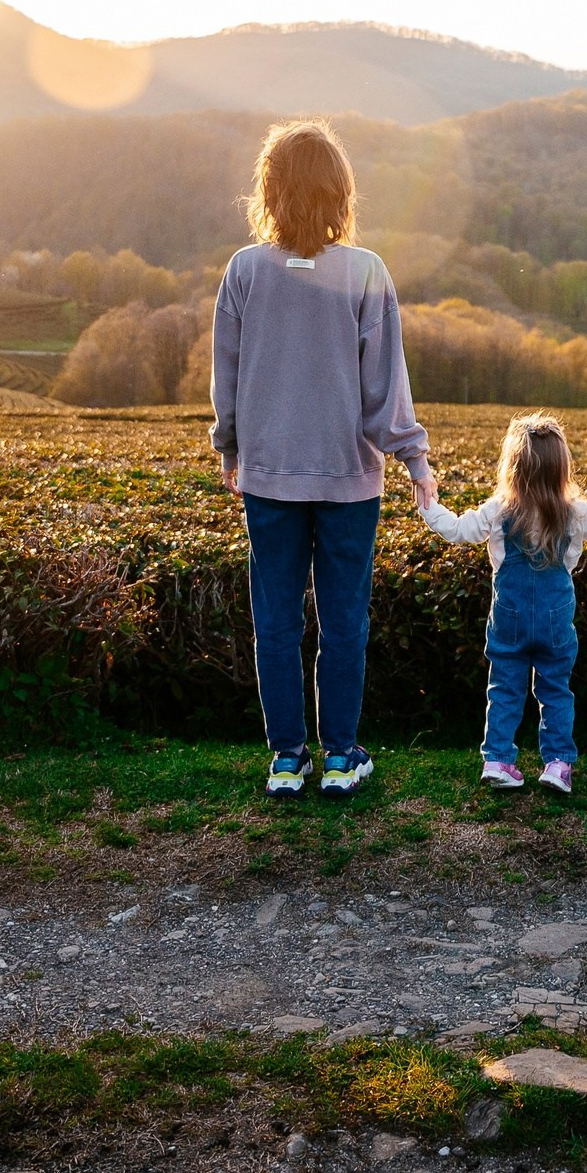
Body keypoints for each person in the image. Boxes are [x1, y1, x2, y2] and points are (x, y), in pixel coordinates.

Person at [211, 119, 438, 798]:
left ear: (270, 192)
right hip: (349, 478)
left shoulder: (244, 271)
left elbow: (227, 376)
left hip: (270, 474)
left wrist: (229, 445)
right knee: (343, 622)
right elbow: (385, 391)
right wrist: (415, 460)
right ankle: (340, 755)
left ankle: (287, 759)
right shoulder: (366, 273)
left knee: (276, 621)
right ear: (340, 193)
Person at [419, 413, 587, 792]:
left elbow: (456, 529)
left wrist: (427, 501)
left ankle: (498, 760)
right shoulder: (574, 512)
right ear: (561, 466)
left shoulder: (500, 509)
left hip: (508, 619)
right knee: (555, 690)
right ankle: (557, 764)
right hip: (555, 620)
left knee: (504, 688)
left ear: (512, 467)